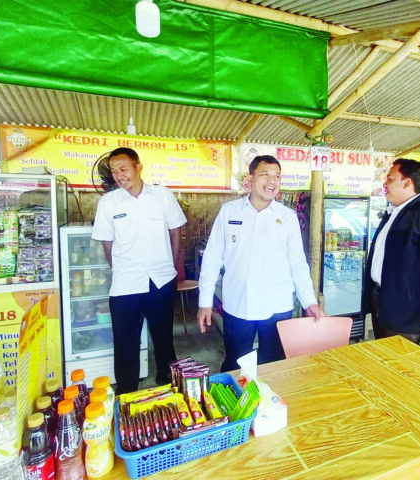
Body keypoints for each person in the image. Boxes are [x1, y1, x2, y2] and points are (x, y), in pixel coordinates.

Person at [197, 155, 324, 371]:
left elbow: (298, 264)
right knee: (235, 365)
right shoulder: (229, 212)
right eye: (265, 174)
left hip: (276, 307)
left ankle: (270, 403)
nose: (272, 181)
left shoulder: (287, 217)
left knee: (273, 367)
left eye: (277, 176)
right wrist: (205, 302)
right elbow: (212, 258)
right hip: (238, 305)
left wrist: (309, 302)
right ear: (251, 179)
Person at [92, 147, 187, 394]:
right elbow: (107, 244)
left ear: (138, 167)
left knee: (164, 337)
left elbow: (176, 230)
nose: (119, 175)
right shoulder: (108, 203)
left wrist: (173, 267)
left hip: (161, 279)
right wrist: (121, 269)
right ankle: (127, 394)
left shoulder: (162, 195)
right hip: (125, 284)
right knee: (125, 343)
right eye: (114, 171)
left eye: (123, 169)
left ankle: (168, 385)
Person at [363, 158, 420, 348]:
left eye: (390, 179)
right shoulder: (393, 213)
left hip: (408, 316)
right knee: (385, 362)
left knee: (406, 370)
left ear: (407, 183)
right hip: (382, 305)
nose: (385, 184)